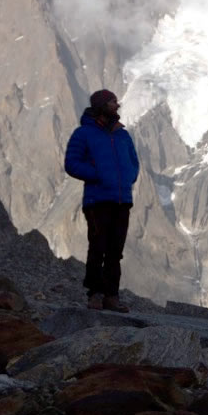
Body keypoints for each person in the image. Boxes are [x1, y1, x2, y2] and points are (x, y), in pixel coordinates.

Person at [64, 89, 139, 312]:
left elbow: (134, 163)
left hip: (121, 200)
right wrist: (98, 175)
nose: (117, 105)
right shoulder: (84, 134)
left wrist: (127, 178)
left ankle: (112, 296)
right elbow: (72, 163)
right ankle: (95, 294)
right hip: (97, 201)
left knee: (116, 250)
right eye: (112, 102)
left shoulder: (122, 134)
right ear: (101, 106)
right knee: (98, 247)